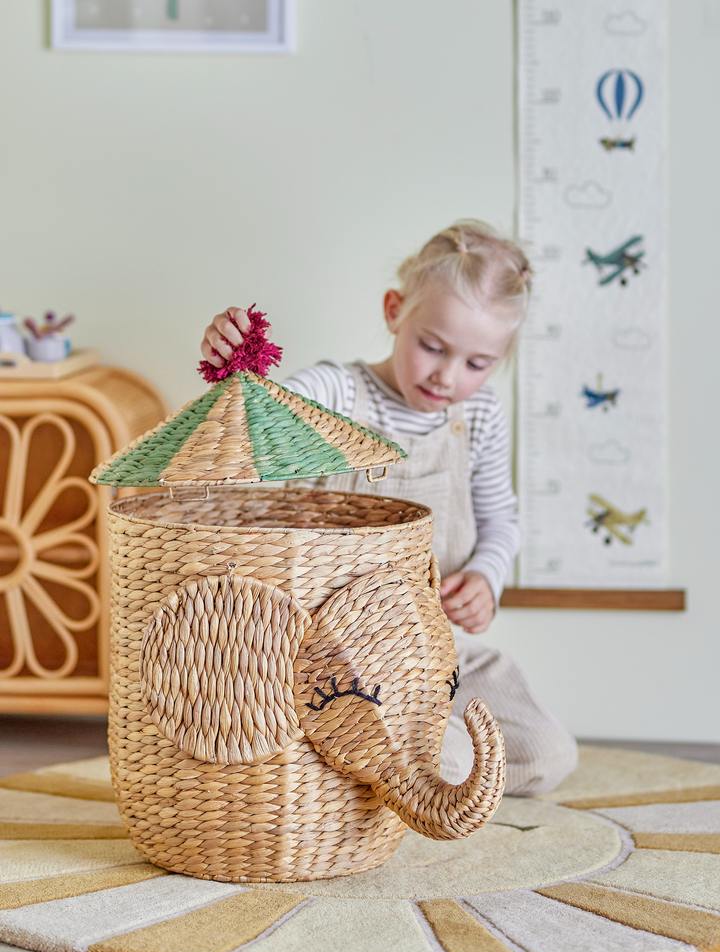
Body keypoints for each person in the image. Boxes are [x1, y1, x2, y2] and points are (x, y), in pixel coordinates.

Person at [200, 219, 577, 796]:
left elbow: (501, 518)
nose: (447, 377)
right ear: (394, 312)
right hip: (332, 652)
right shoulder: (339, 393)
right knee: (450, 763)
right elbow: (262, 416)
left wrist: (486, 576)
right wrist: (236, 369)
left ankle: (391, 760)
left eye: (477, 364)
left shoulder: (478, 416)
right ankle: (401, 759)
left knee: (547, 755)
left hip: (434, 647)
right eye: (432, 347)